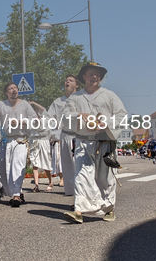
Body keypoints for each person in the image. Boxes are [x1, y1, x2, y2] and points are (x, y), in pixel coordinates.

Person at [62, 63, 128, 224]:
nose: (95, 77)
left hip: (105, 142)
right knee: (82, 176)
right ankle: (79, 210)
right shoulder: (76, 98)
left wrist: (106, 123)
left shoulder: (109, 95)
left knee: (105, 178)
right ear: (83, 77)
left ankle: (108, 209)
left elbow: (122, 115)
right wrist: (78, 115)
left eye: (97, 74)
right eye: (91, 74)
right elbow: (65, 117)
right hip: (83, 143)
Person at [0, 82, 37, 207]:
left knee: (17, 166)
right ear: (6, 92)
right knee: (4, 169)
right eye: (11, 88)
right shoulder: (2, 104)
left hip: (20, 140)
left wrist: (20, 122)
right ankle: (14, 193)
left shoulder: (24, 105)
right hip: (6, 141)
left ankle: (16, 195)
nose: (14, 90)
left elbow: (35, 120)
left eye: (15, 88)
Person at [52, 75, 80, 196]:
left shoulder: (81, 98)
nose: (67, 82)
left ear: (77, 85)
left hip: (78, 136)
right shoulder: (58, 102)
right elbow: (48, 118)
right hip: (64, 135)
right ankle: (71, 194)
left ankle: (81, 195)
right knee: (67, 168)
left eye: (71, 80)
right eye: (66, 80)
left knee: (79, 166)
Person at [27, 101, 52, 192]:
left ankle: (50, 182)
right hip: (34, 142)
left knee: (46, 163)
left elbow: (43, 109)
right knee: (35, 163)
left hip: (43, 141)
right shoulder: (31, 120)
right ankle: (36, 185)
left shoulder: (45, 118)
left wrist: (33, 102)